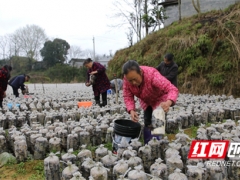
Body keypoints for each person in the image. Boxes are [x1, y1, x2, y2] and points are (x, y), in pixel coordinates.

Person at [122, 60, 179, 144]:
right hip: (146, 101)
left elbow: (172, 89)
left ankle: (158, 144)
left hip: (159, 100)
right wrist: (131, 110)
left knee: (158, 123)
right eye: (130, 81)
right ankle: (148, 144)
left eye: (135, 79)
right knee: (147, 121)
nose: (133, 83)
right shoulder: (127, 79)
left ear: (140, 72)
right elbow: (127, 95)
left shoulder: (152, 75)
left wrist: (168, 102)